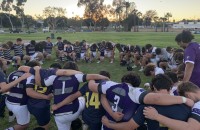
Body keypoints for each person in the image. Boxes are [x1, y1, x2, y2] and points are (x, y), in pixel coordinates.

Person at [101, 74, 191, 130]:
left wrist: (109, 124)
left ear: (154, 88)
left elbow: (129, 126)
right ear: (170, 87)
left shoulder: (147, 107)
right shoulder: (185, 104)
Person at [45, 62, 109, 130]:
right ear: (75, 69)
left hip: (58, 114)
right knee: (83, 99)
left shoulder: (53, 77)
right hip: (73, 112)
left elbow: (41, 82)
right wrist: (105, 78)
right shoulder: (76, 75)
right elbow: (91, 76)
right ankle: (83, 121)